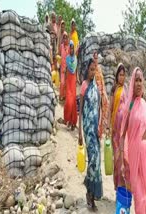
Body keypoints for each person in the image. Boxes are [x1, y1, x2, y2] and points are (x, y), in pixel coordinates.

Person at [120, 67, 146, 213]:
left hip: (145, 157)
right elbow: (123, 134)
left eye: (140, 80)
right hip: (134, 158)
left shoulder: (144, 105)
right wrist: (124, 158)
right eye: (136, 80)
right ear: (132, 83)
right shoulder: (129, 106)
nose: (138, 83)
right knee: (139, 197)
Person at [78, 58, 102, 211]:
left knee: (97, 162)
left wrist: (100, 126)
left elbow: (99, 108)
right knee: (93, 159)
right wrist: (79, 131)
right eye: (91, 69)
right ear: (87, 70)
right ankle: (89, 192)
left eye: (95, 70)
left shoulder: (96, 87)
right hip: (87, 129)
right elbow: (80, 111)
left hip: (95, 129)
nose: (93, 72)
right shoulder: (84, 86)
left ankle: (92, 195)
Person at [109, 63, 129, 190]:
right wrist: (107, 127)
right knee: (116, 160)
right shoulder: (114, 89)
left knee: (123, 159)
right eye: (120, 75)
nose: (122, 77)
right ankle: (117, 186)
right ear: (116, 76)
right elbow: (111, 108)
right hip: (115, 131)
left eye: (123, 75)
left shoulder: (126, 89)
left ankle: (122, 186)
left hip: (123, 132)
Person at [93, 51, 109, 137]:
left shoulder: (99, 68)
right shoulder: (92, 68)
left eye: (97, 58)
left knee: (101, 112)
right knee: (96, 112)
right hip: (95, 93)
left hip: (101, 93)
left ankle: (100, 131)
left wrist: (104, 92)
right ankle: (95, 130)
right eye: (94, 58)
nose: (96, 60)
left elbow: (102, 80)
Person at [64, 40, 77, 130]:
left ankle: (73, 122)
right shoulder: (67, 58)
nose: (71, 50)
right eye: (70, 48)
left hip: (73, 82)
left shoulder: (75, 58)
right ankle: (67, 119)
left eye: (73, 48)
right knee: (68, 102)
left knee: (73, 103)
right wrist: (65, 81)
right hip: (69, 82)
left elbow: (75, 70)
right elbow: (66, 69)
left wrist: (78, 79)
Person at [59, 32, 69, 101]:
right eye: (64, 37)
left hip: (67, 68)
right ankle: (61, 95)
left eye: (66, 37)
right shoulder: (61, 46)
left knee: (66, 83)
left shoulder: (69, 46)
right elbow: (59, 55)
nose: (65, 39)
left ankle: (65, 96)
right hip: (62, 67)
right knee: (62, 82)